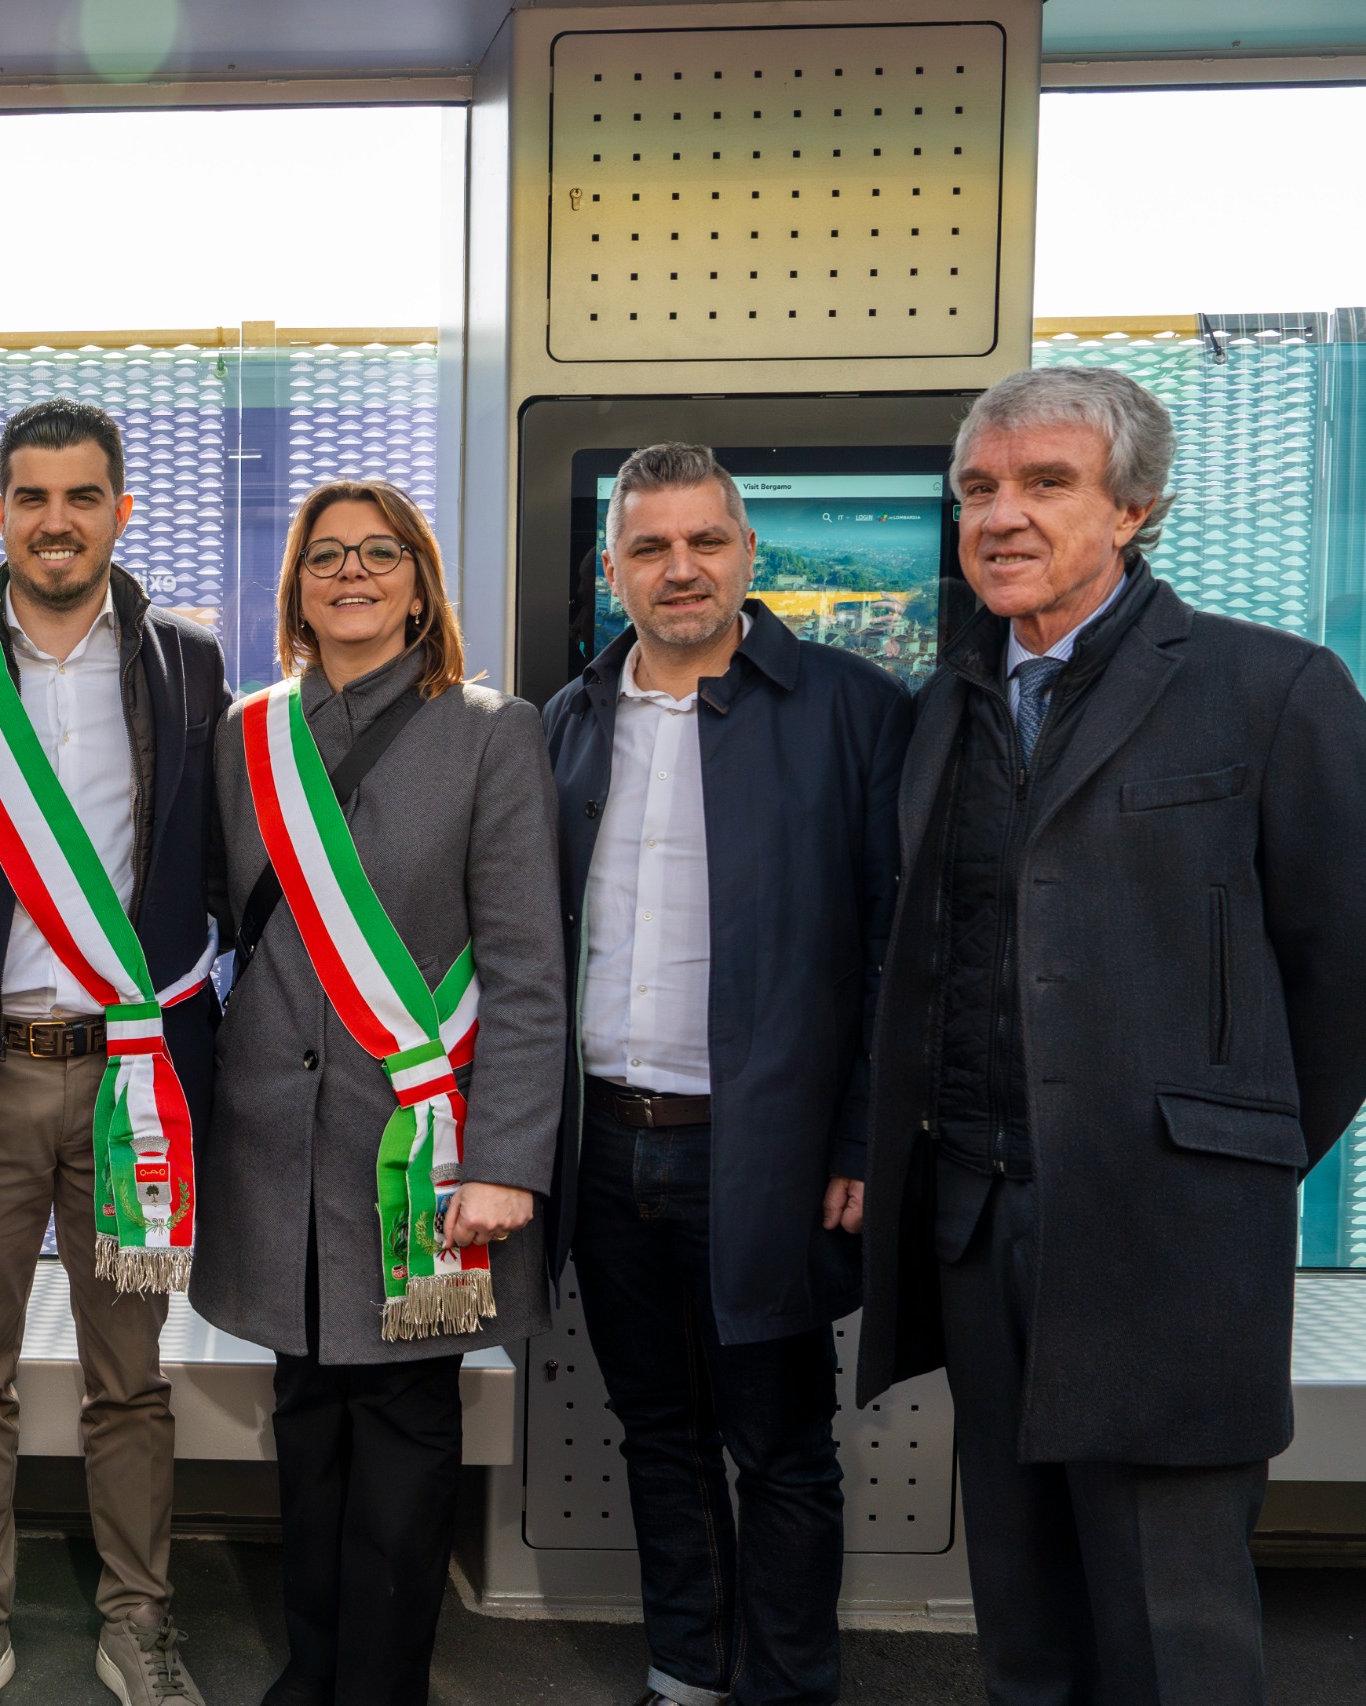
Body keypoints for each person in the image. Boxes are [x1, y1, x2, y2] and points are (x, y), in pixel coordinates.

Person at [856, 366, 1366, 1705]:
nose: (1001, 515)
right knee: (1025, 1622)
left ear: (1135, 506)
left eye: (1046, 483)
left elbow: (1345, 977)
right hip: (981, 1222)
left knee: (1170, 1632)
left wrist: (1226, 1160)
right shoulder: (947, 702)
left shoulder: (1272, 687)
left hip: (1168, 1238)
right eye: (978, 488)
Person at [0, 399, 226, 1706]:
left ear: (121, 510)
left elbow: (220, 862)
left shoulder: (190, 663)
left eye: (81, 497)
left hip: (135, 1081)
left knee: (134, 1377)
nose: (55, 520)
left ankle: (140, 1622)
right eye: (31, 496)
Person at [542, 444, 913, 1706]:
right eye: (649, 546)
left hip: (767, 1153)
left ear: (749, 553)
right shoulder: (568, 719)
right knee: (658, 1432)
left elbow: (894, 950)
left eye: (705, 540)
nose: (681, 567)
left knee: (783, 1446)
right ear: (611, 569)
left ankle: (789, 1688)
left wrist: (858, 1139)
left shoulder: (853, 710)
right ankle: (685, 1676)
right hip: (605, 1146)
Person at [197, 480, 565, 1706]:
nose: (350, 573)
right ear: (295, 589)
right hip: (276, 1147)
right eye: (325, 556)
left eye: (378, 553)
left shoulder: (491, 730)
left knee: (404, 1424)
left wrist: (505, 1156)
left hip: (424, 1142)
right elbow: (228, 931)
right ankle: (311, 1670)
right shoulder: (246, 734)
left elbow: (525, 965)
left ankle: (380, 1685)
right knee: (306, 1414)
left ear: (418, 582)